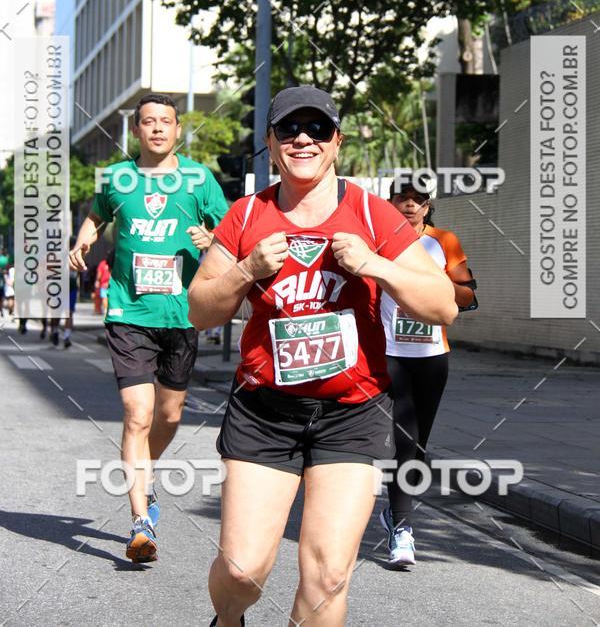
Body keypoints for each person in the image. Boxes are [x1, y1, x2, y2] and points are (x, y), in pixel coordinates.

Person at [188, 86, 457, 627]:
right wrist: (245, 271)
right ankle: (227, 619)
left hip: (352, 413)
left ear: (337, 141)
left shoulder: (373, 214)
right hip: (265, 411)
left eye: (317, 129)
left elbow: (443, 306)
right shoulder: (246, 215)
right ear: (270, 142)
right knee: (242, 571)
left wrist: (375, 266)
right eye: (288, 129)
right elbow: (199, 309)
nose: (303, 139)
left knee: (327, 575)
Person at [69, 92, 229, 563]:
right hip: (129, 312)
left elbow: (233, 234)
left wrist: (213, 238)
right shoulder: (116, 178)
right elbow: (97, 216)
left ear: (178, 130)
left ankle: (147, 474)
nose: (157, 128)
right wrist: (83, 239)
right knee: (137, 414)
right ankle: (140, 522)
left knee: (171, 416)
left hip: (182, 313)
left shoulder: (199, 179)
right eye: (148, 122)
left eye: (166, 121)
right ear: (135, 131)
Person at [379, 182, 475, 567]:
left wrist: (430, 283)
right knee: (403, 440)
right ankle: (402, 527)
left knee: (418, 445)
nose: (408, 205)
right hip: (389, 353)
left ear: (427, 206)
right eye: (401, 198)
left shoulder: (443, 241)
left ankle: (395, 513)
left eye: (417, 200)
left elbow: (468, 297)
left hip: (432, 356)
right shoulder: (377, 239)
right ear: (389, 203)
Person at [95, 253, 112, 317]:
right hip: (111, 283)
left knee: (104, 298)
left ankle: (106, 310)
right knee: (110, 297)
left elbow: (99, 274)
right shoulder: (114, 263)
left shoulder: (102, 263)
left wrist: (97, 281)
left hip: (104, 284)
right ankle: (108, 310)